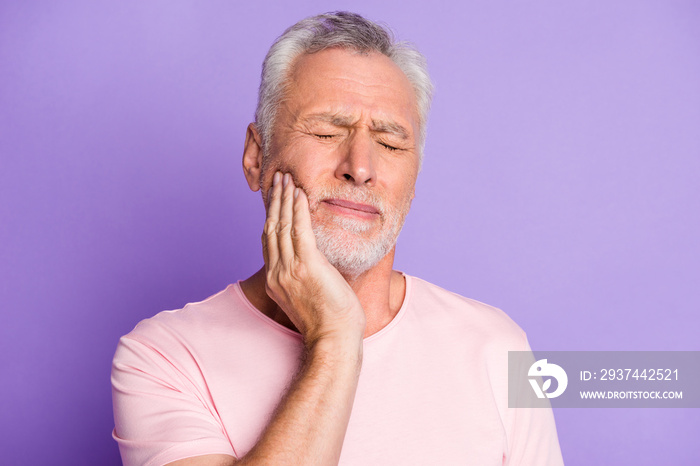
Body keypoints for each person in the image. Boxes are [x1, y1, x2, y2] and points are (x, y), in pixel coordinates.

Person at [111, 11, 564, 466]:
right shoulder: (163, 357)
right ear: (256, 157)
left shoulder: (498, 349)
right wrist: (334, 337)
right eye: (327, 131)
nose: (361, 168)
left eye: (390, 144)